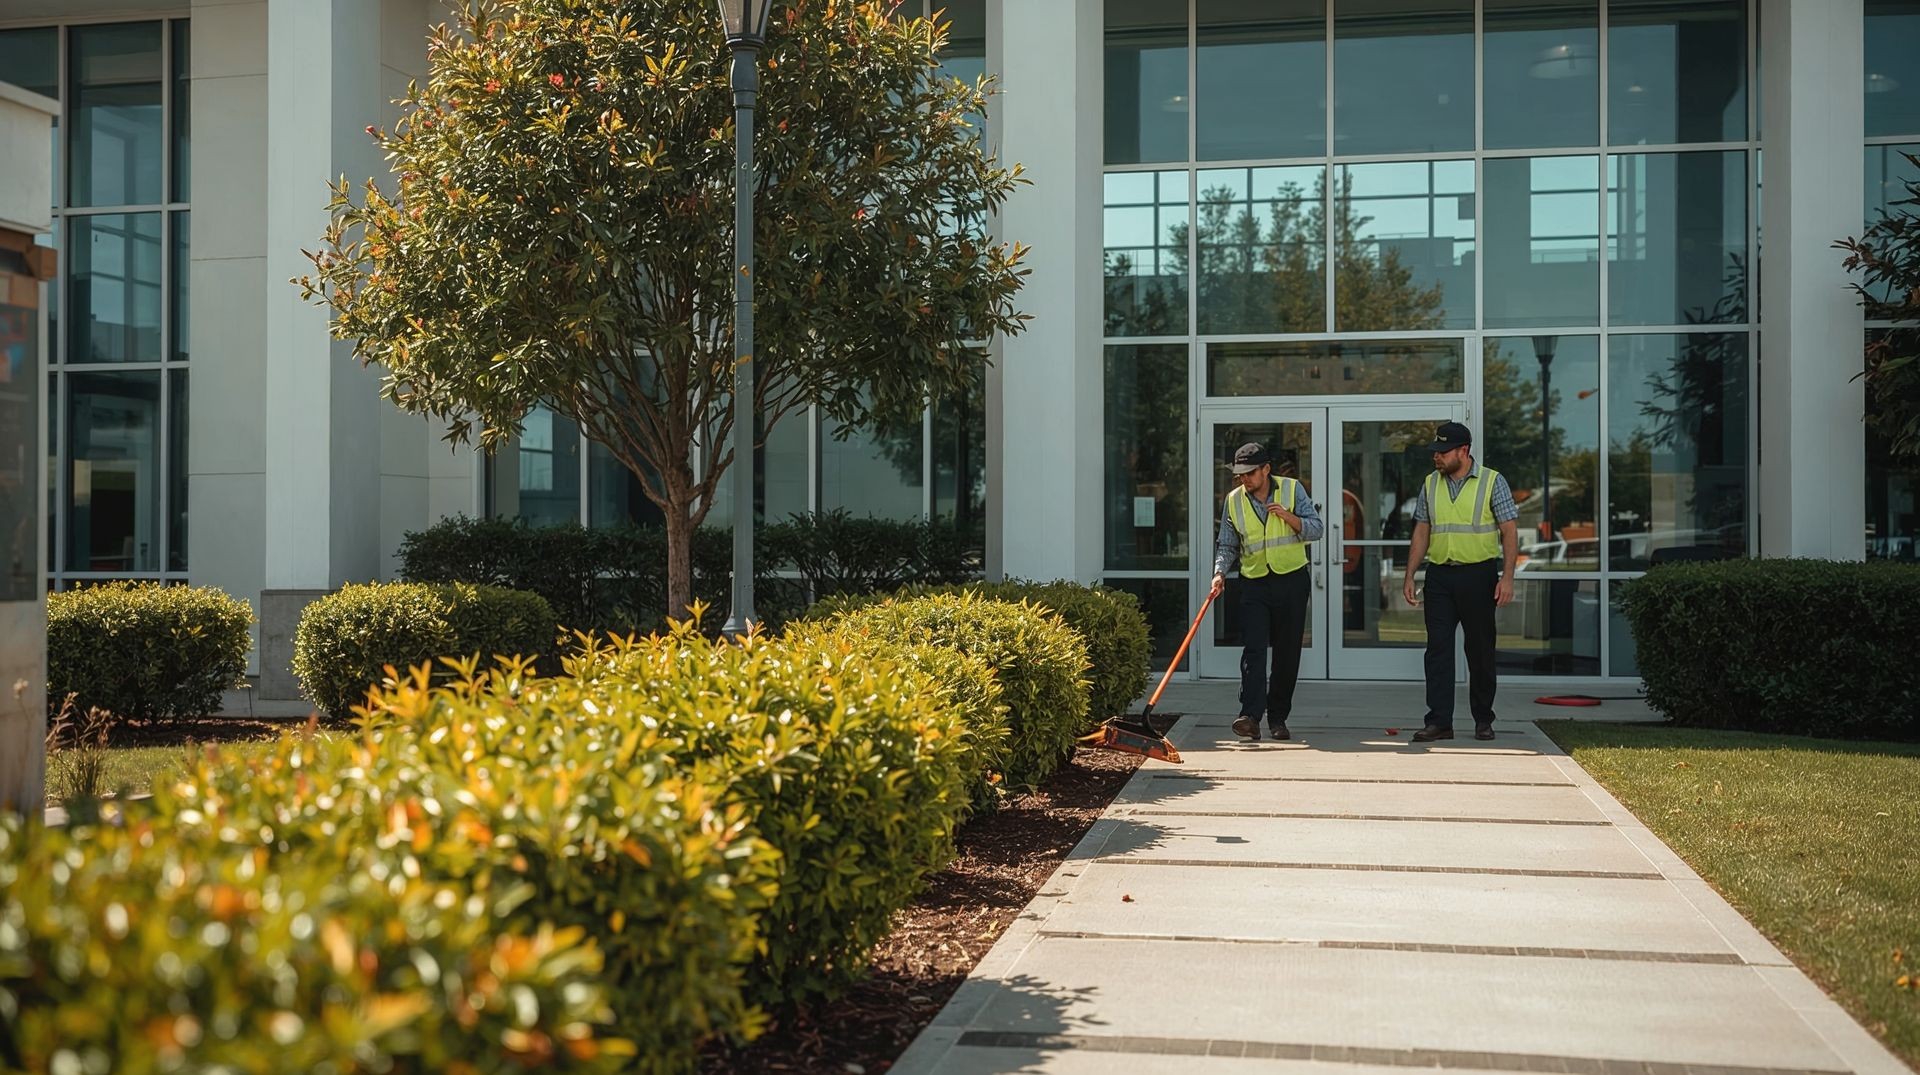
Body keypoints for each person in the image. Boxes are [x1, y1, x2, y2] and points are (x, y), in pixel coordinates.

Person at [1400, 422, 1520, 742]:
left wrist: (1507, 577)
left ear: (1463, 451)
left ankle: (1483, 719)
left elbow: (1509, 530)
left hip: (1478, 575)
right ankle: (1439, 722)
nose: (1436, 457)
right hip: (1439, 576)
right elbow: (1422, 530)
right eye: (1435, 452)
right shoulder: (1430, 484)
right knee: (1437, 650)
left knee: (1479, 650)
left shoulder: (1493, 482)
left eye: (1442, 452)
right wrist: (1410, 573)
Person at [1211, 442, 1323, 741]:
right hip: (1254, 581)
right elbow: (1227, 543)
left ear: (1266, 470)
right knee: (1254, 649)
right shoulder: (1234, 500)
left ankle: (1278, 718)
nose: (1244, 479)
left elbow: (1316, 529)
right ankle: (1250, 716)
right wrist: (1219, 573)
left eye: (1249, 473)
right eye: (1240, 474)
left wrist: (1288, 517)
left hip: (1291, 580)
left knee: (1287, 653)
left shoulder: (1292, 489)